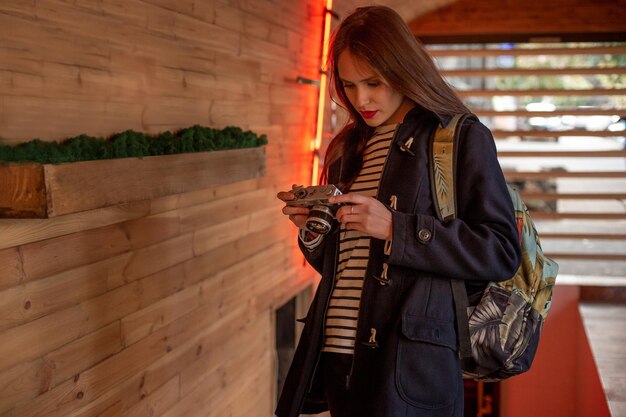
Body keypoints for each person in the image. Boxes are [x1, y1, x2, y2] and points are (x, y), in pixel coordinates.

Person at [275, 6, 521, 417]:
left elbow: (499, 252)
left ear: (404, 68)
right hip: (338, 358)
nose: (362, 99)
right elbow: (348, 266)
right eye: (349, 85)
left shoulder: (457, 137)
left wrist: (396, 229)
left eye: (374, 82)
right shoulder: (347, 147)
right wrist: (314, 233)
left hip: (410, 368)